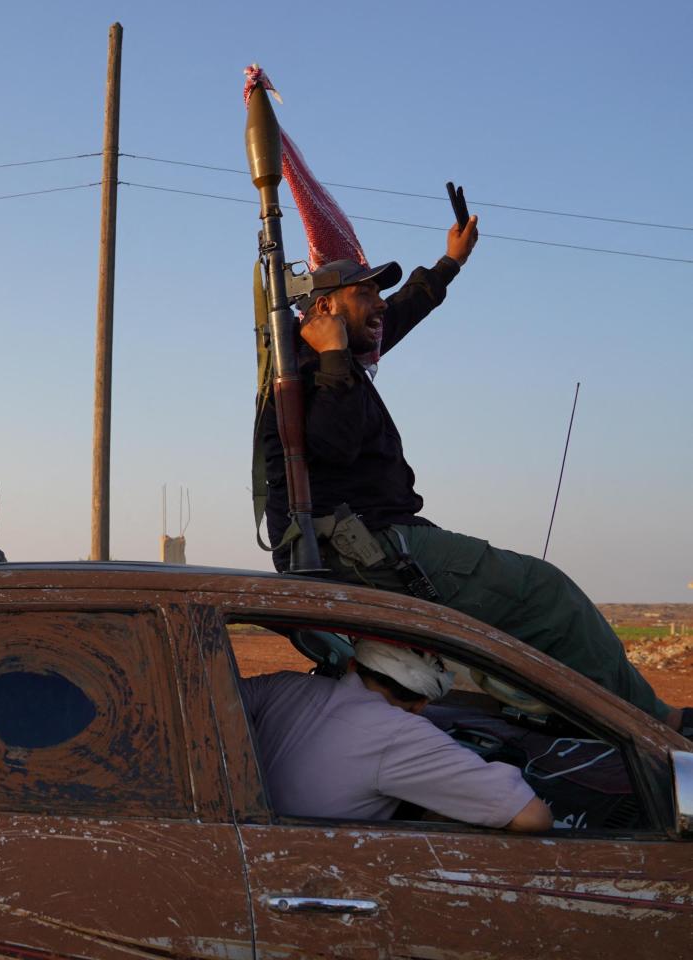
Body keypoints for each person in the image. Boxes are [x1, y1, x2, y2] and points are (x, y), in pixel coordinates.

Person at [256, 217, 686, 732]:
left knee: (504, 620)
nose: (381, 305)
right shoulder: (304, 372)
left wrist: (451, 262)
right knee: (547, 595)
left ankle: (564, 713)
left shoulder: (340, 358)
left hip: (374, 536)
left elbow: (404, 312)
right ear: (324, 309)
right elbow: (332, 445)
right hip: (362, 544)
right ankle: (651, 725)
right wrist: (330, 356)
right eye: (366, 293)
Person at [241, 640, 552, 831]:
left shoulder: (282, 685)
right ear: (421, 704)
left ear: (352, 665)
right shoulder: (402, 734)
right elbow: (532, 818)